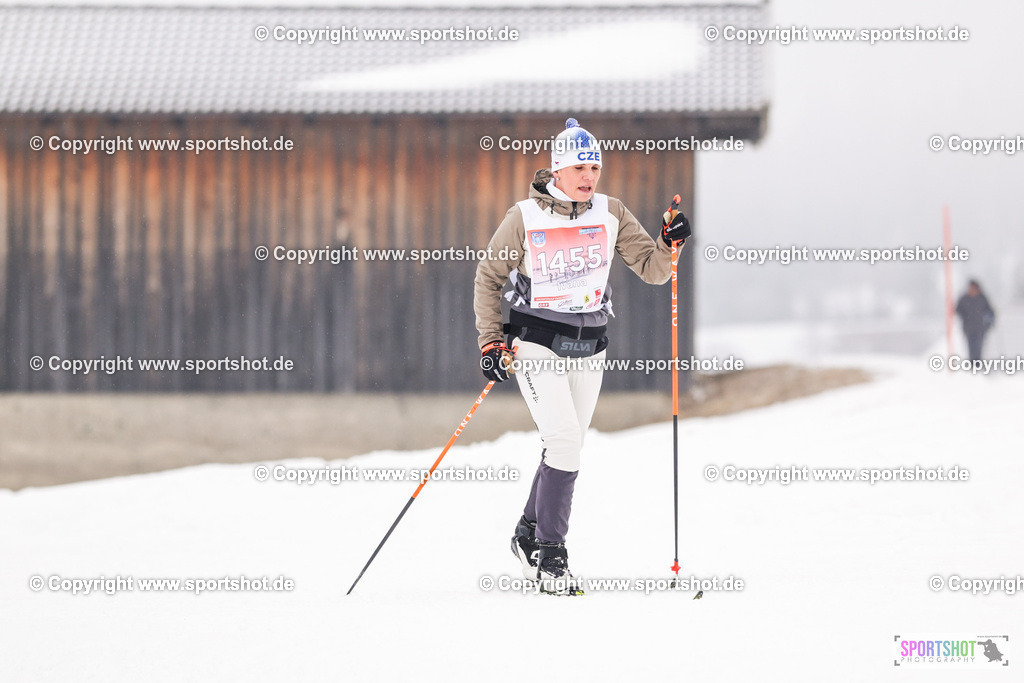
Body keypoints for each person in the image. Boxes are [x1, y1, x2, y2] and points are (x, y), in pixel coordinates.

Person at [473, 118, 691, 594]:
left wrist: (670, 245)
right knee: (565, 441)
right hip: (535, 341)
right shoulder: (525, 217)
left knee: (566, 445)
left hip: (590, 347)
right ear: (557, 169)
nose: (589, 175)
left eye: (595, 165)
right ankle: (552, 557)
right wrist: (491, 341)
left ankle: (527, 533)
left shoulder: (611, 212)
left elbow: (653, 271)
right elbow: (489, 277)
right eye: (579, 166)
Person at [955, 279, 996, 363]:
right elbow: (958, 310)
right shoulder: (964, 298)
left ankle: (978, 363)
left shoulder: (982, 298)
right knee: (971, 346)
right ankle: (972, 363)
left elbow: (990, 310)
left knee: (979, 346)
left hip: (981, 328)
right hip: (969, 328)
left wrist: (990, 319)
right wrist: (963, 316)